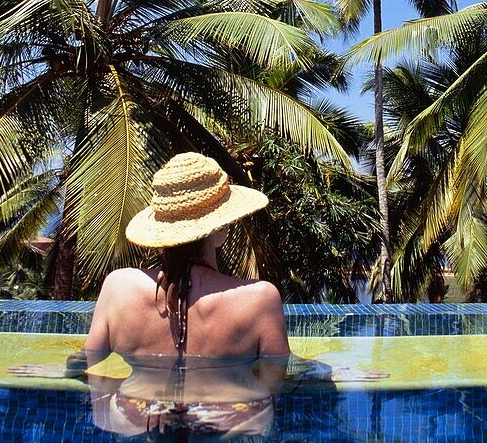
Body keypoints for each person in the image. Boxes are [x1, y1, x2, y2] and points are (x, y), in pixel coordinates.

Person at [15, 152, 290, 439]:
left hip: (135, 414)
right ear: (220, 226)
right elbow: (274, 382)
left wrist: (56, 370)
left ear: (160, 228)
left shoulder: (117, 287)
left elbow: (90, 364)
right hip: (228, 419)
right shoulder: (259, 299)